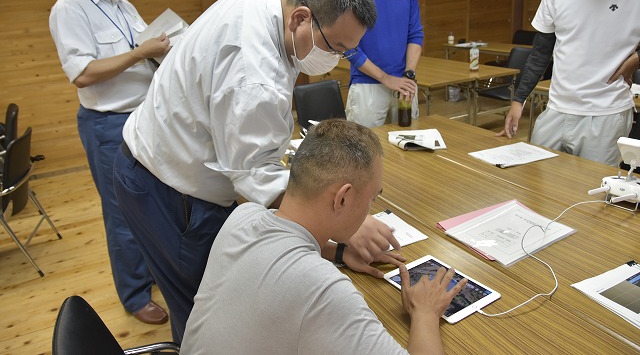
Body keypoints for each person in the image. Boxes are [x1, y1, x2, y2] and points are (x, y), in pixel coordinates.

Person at [113, 0, 406, 343]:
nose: (338, 59)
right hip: (169, 188)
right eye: (335, 48)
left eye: (347, 51)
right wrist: (350, 222)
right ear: (300, 18)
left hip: (159, 159)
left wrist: (335, 246)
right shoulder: (256, 77)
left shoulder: (261, 0)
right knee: (208, 310)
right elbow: (254, 174)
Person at [181, 119, 467, 354]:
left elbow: (279, 250)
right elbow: (302, 279)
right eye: (372, 199)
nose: (371, 209)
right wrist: (426, 314)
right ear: (342, 199)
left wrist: (340, 252)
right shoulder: (322, 289)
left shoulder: (243, 217)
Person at [49, 0, 170, 324]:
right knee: (120, 211)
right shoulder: (69, 9)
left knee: (151, 201)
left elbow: (144, 44)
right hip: (107, 124)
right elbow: (82, 73)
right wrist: (142, 53)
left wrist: (160, 51)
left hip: (142, 115)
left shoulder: (120, 4)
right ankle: (135, 296)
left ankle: (152, 274)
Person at [499, 0, 640, 166]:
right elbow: (540, 52)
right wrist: (518, 100)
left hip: (606, 112)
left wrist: (637, 57)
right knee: (537, 181)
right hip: (556, 107)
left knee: (588, 193)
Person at [345, 0, 424, 128]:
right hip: (366, 87)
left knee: (410, 149)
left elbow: (415, 35)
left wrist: (409, 74)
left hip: (404, 86)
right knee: (364, 154)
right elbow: (348, 47)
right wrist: (386, 78)